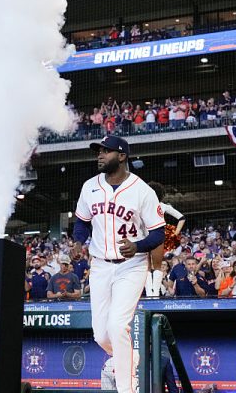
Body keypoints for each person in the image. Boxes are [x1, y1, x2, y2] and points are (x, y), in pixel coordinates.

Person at [71, 135, 165, 393]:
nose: (99, 156)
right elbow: (81, 221)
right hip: (100, 265)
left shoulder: (142, 190)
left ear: (122, 156)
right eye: (98, 152)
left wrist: (138, 246)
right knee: (100, 334)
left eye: (106, 151)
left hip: (131, 265)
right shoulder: (90, 186)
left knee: (117, 325)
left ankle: (128, 388)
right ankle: (129, 356)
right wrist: (79, 241)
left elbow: (159, 233)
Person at [147, 181, 186, 270]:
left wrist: (175, 234)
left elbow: (182, 218)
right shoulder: (142, 206)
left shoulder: (163, 206)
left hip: (157, 236)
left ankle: (155, 283)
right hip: (146, 236)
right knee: (148, 265)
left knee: (156, 265)